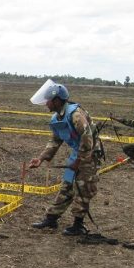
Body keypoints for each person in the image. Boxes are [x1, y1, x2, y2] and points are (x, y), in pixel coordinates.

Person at [28, 81, 101, 236]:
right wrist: (41, 158)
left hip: (89, 155)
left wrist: (79, 161)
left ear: (57, 101)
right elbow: (55, 140)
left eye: (48, 100)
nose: (46, 103)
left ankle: (78, 225)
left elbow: (87, 139)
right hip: (77, 154)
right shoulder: (57, 118)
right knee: (67, 186)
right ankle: (51, 218)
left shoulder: (76, 115)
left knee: (83, 188)